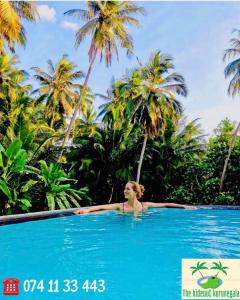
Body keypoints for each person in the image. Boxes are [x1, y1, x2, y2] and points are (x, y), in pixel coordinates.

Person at [74, 181, 195, 214]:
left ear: (135, 192)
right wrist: (87, 210)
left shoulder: (145, 206)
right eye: (125, 188)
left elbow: (166, 204)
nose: (124, 190)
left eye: (128, 189)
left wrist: (184, 206)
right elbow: (102, 207)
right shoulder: (120, 206)